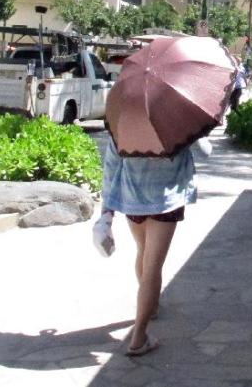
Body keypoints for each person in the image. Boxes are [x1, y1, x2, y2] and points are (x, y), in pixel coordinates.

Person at [100, 135, 210, 357]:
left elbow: (111, 165)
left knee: (143, 251)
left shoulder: (124, 121)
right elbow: (206, 152)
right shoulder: (177, 123)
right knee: (153, 267)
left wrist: (106, 212)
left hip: (132, 197)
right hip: (165, 200)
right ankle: (139, 338)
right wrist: (197, 137)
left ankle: (149, 308)